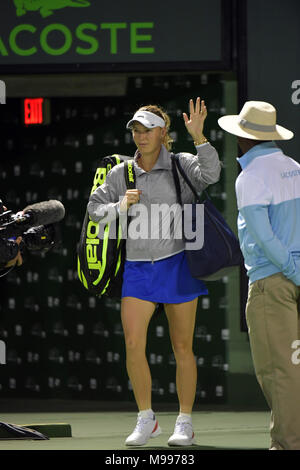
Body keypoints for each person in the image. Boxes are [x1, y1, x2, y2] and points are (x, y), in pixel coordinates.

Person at [88, 98, 221, 447]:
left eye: (147, 129)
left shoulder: (181, 163)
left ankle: (184, 422)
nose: (140, 136)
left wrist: (200, 138)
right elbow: (93, 210)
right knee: (133, 344)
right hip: (137, 269)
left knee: (182, 347)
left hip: (178, 264)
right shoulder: (121, 173)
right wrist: (120, 205)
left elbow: (212, 174)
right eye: (135, 129)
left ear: (163, 133)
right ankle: (146, 419)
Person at [218, 101, 300, 450]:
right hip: (291, 278)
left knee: (278, 371)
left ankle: (286, 444)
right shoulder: (295, 167)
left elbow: (263, 237)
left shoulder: (250, 176)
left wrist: (295, 271)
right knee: (292, 368)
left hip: (274, 282)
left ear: (242, 139)